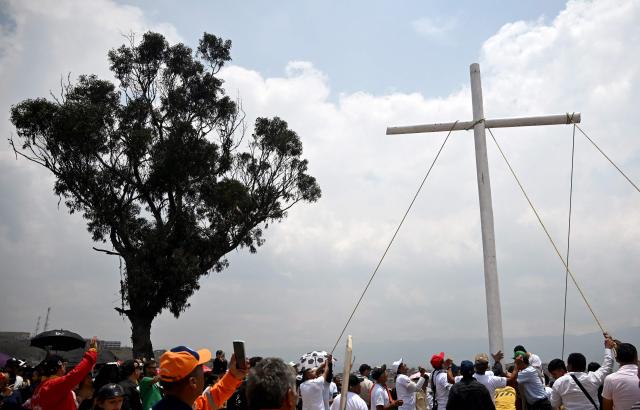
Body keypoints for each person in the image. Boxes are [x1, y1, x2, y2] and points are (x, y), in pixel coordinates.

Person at [154, 345, 248, 410]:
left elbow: (210, 400)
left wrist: (233, 376)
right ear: (193, 382)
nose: (204, 373)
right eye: (201, 368)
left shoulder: (169, 405)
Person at [31, 336, 98, 410]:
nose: (65, 368)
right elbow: (77, 373)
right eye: (63, 365)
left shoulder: (39, 388)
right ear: (58, 369)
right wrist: (92, 351)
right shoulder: (55, 384)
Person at [550, 334, 614, 410]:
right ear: (584, 366)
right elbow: (608, 366)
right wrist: (608, 348)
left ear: (569, 366)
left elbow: (554, 404)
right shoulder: (593, 378)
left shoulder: (559, 382)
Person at [602, 342, 640, 410]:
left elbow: (607, 407)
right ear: (636, 357)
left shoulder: (611, 379)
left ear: (616, 359)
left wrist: (609, 348)